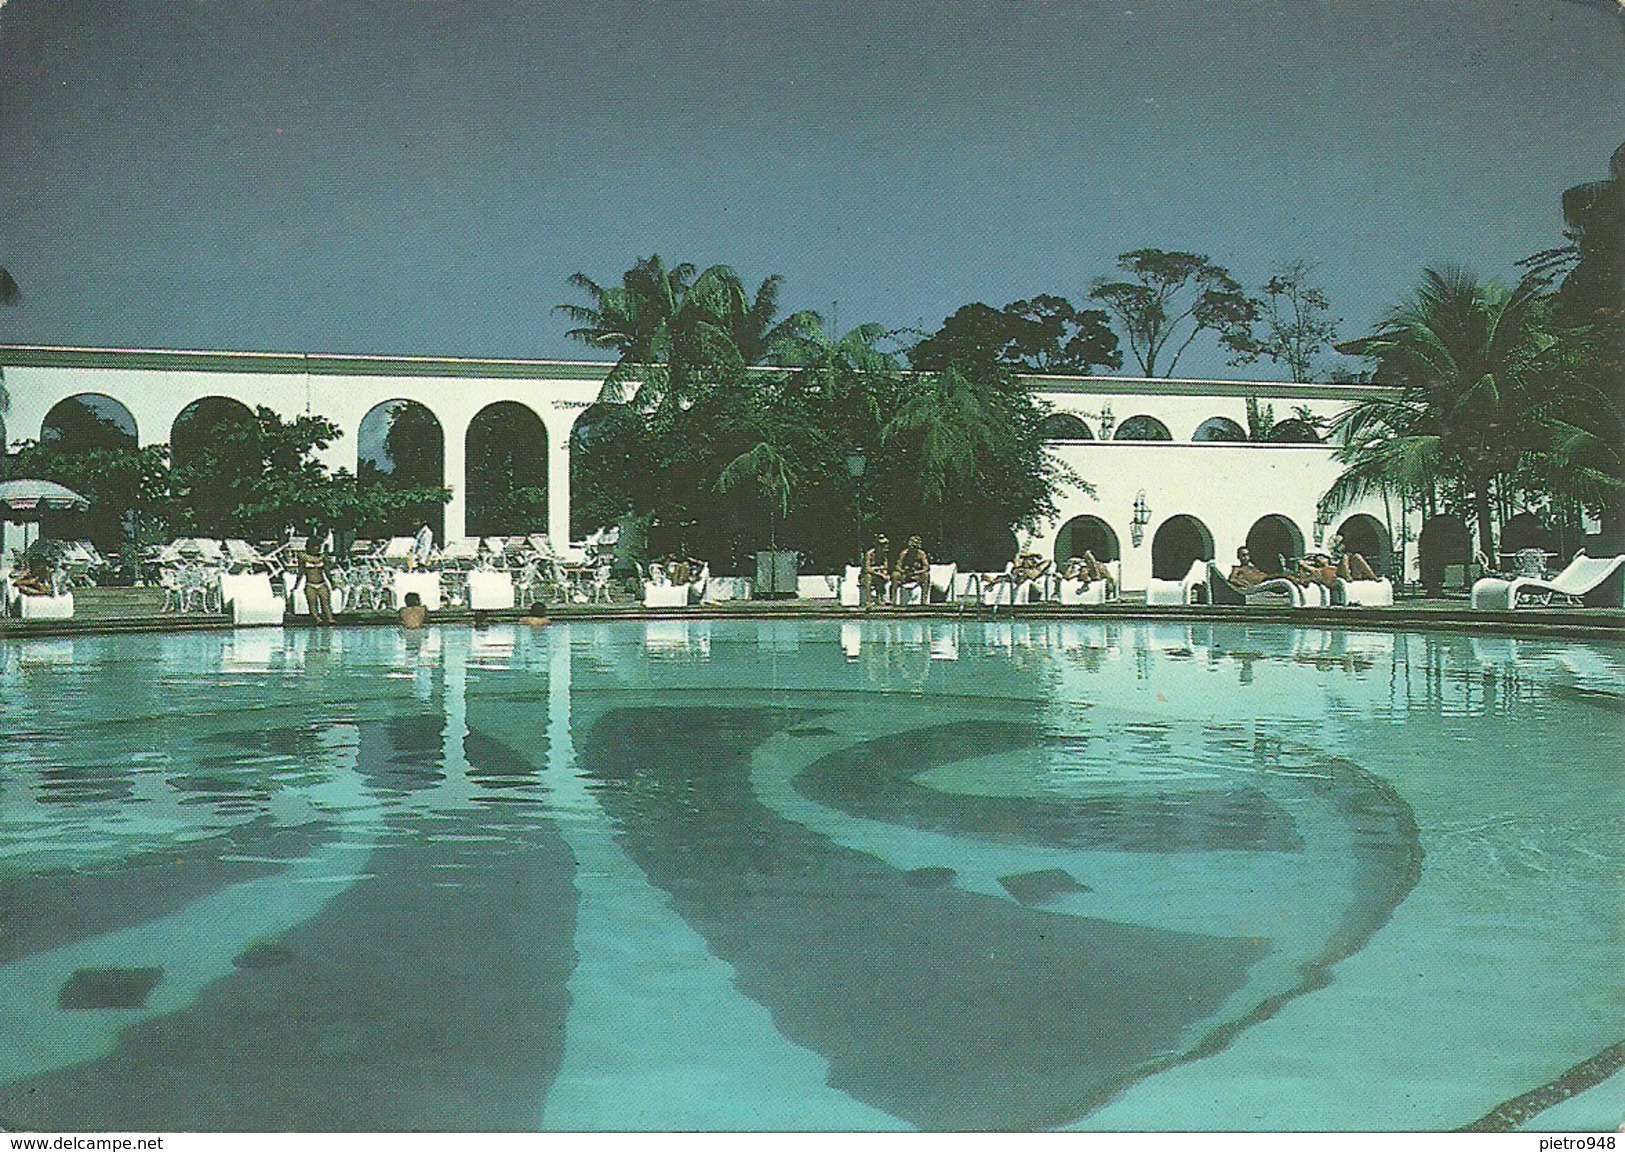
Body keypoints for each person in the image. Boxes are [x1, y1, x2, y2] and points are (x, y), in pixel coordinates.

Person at [294, 541, 338, 623]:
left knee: (326, 603)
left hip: (321, 583)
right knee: (312, 604)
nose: (316, 549)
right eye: (314, 547)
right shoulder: (303, 558)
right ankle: (317, 619)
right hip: (310, 584)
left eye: (318, 547)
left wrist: (332, 583)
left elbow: (327, 571)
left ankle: (330, 618)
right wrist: (296, 585)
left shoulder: (322, 557)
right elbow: (301, 572)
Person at [892, 535, 930, 602]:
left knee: (926, 575)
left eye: (915, 546)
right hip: (906, 574)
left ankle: (924, 599)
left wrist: (916, 572)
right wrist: (903, 571)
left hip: (916, 574)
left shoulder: (921, 554)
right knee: (895, 575)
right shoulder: (904, 553)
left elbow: (926, 567)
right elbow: (897, 566)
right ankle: (893, 599)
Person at [861, 534, 891, 607]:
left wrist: (884, 572)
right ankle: (868, 600)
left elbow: (885, 566)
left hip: (877, 574)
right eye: (881, 545)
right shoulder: (870, 554)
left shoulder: (884, 555)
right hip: (865, 575)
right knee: (868, 578)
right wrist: (880, 573)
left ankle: (880, 599)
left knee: (882, 579)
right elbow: (867, 568)